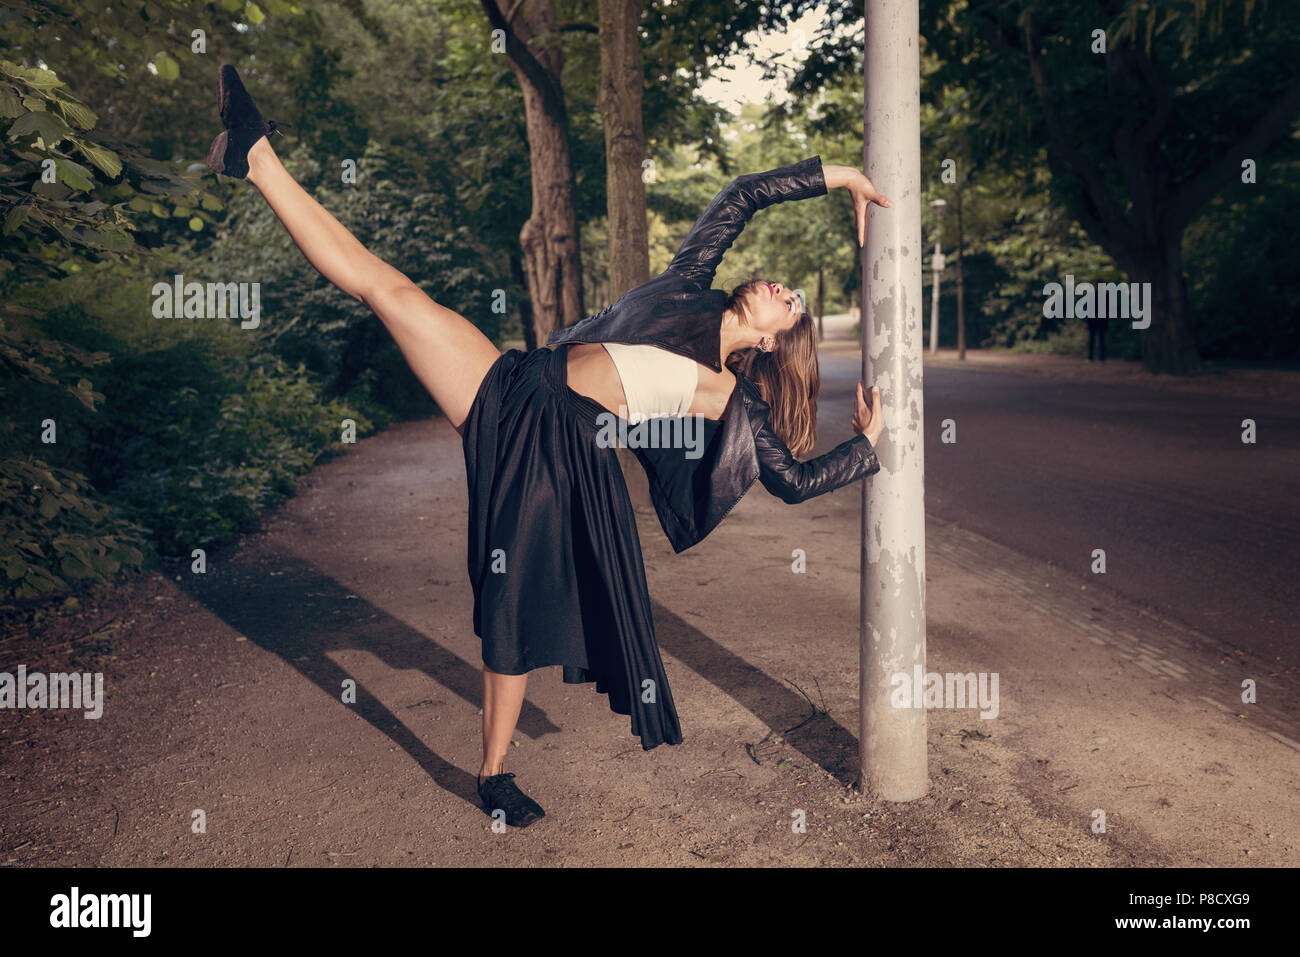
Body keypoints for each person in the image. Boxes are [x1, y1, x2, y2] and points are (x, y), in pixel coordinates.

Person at [207, 65, 889, 828]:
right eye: (782, 285)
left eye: (790, 303)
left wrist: (867, 446)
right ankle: (256, 157)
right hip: (519, 383)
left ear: (772, 342)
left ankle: (493, 772)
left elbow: (790, 479)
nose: (778, 287)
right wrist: (841, 178)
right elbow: (740, 195)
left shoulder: (733, 396)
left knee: (514, 601)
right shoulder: (687, 285)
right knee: (389, 291)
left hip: (559, 449)